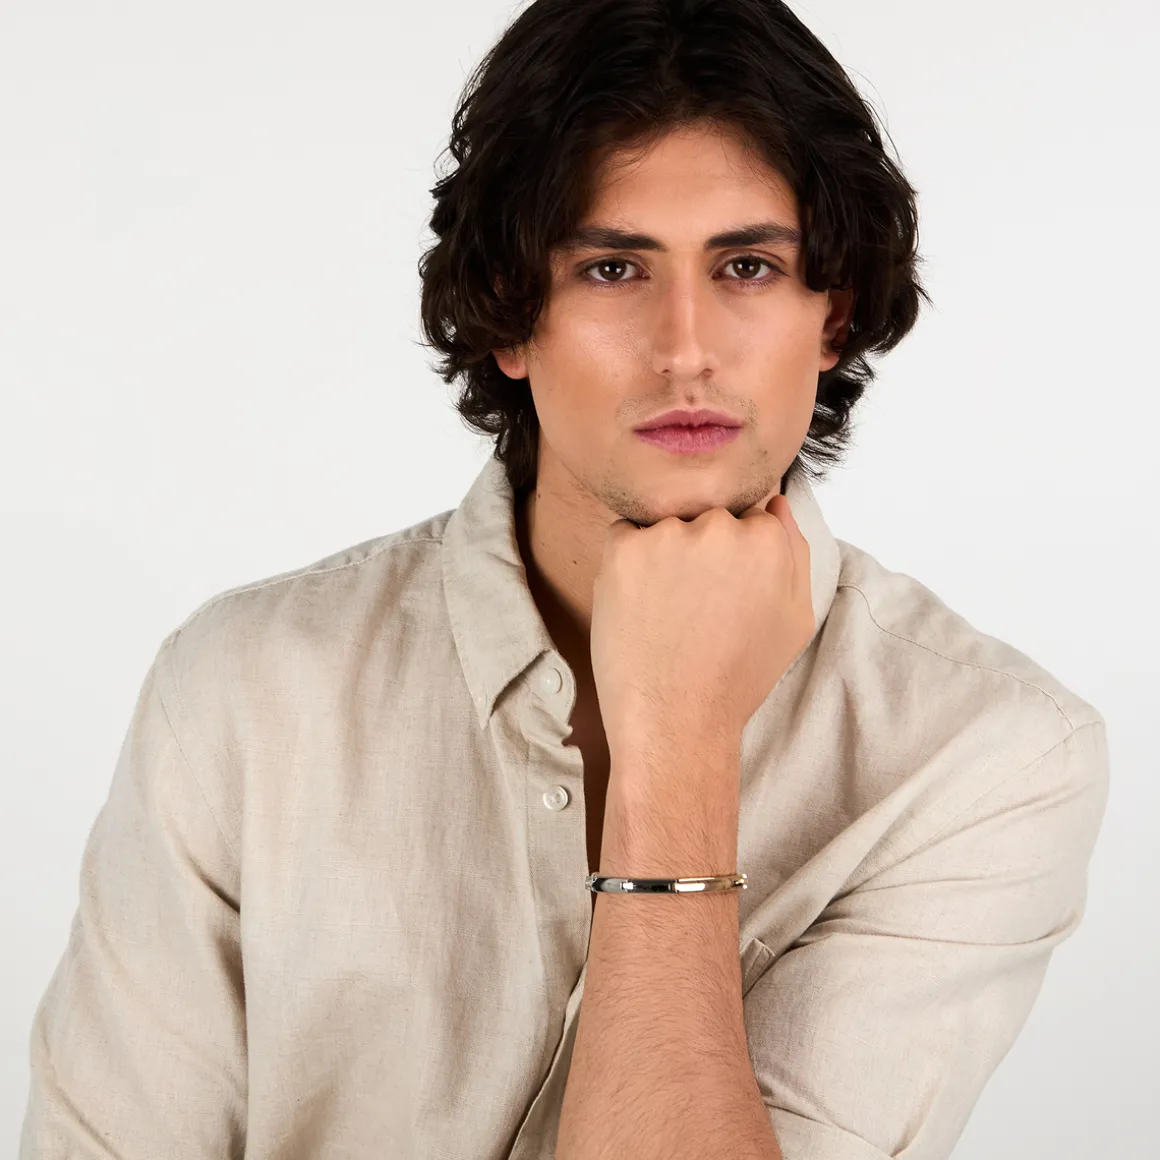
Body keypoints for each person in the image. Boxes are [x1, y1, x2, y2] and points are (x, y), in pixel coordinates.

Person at [20, 1, 1109, 1157]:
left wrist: (676, 747)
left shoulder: (983, 753)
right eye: (611, 267)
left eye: (746, 265)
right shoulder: (244, 690)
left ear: (831, 314)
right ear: (509, 316)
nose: (684, 346)